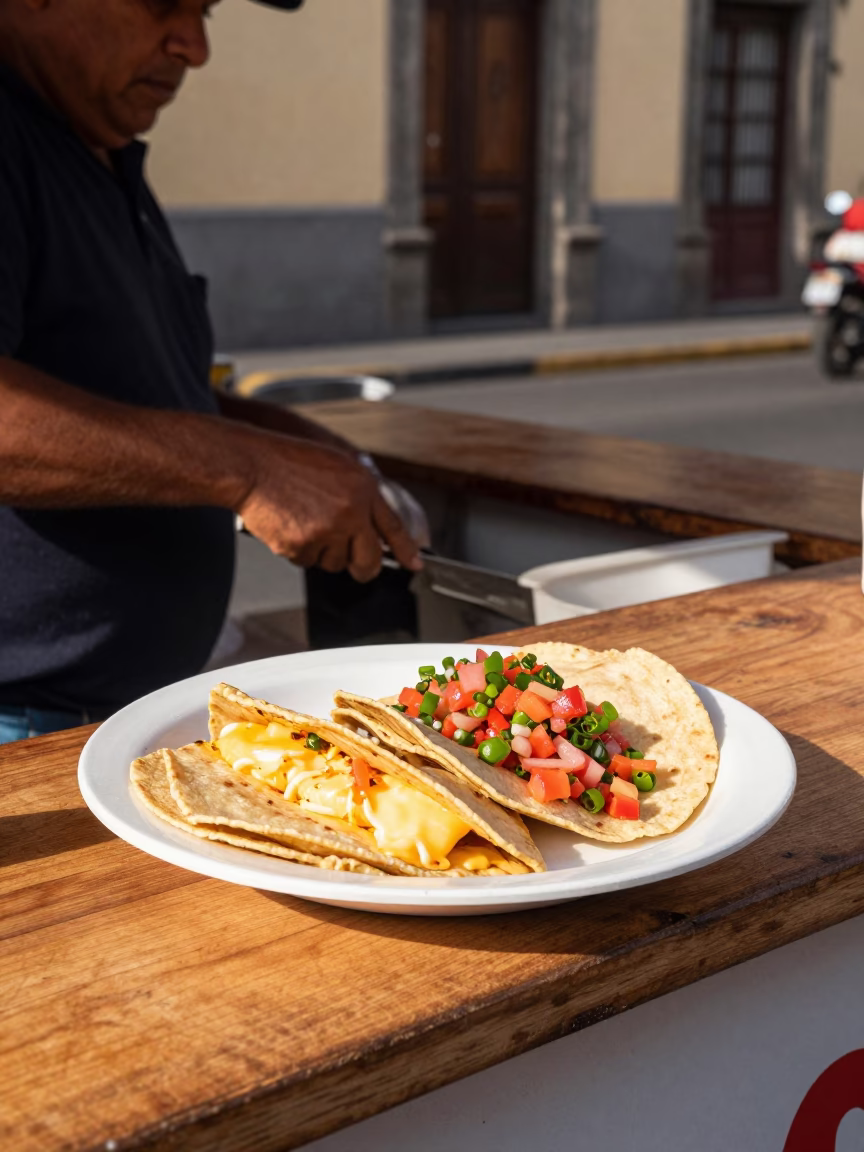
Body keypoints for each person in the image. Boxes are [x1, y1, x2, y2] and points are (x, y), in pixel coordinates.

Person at [0, 0, 421, 743]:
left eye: (206, 12)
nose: (194, 47)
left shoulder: (97, 149)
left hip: (123, 710)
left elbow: (148, 390)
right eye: (166, 5)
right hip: (27, 726)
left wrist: (308, 453)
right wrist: (251, 471)